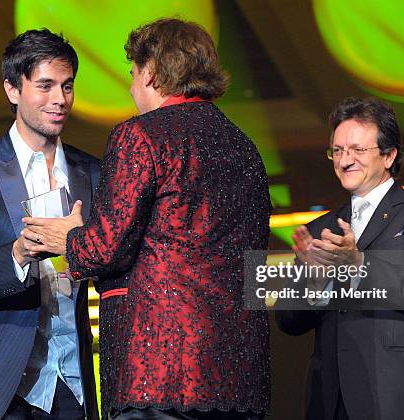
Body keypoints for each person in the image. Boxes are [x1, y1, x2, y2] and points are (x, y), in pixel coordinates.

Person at [21, 18, 271, 420]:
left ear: (151, 72)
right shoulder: (245, 148)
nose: (132, 86)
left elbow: (104, 249)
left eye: (134, 74)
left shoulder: (141, 136)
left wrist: (68, 237)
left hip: (158, 373)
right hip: (240, 379)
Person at [0, 29, 100, 420]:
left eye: (67, 86)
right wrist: (18, 253)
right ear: (13, 89)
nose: (59, 99)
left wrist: (86, 248)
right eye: (45, 86)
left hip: (73, 381)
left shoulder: (94, 171)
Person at [276, 97, 404, 419]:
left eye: (358, 150)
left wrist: (360, 265)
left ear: (389, 155)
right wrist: (315, 281)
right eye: (338, 150)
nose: (345, 160)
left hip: (398, 395)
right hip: (330, 400)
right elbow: (288, 321)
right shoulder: (319, 229)